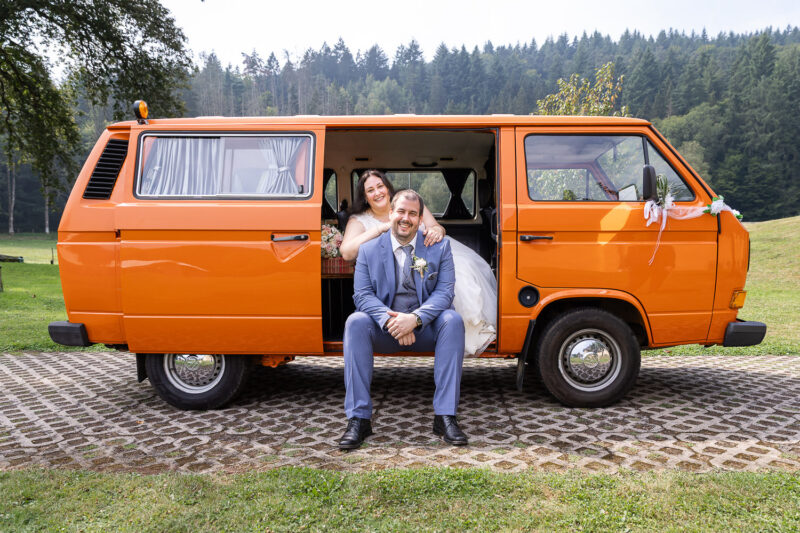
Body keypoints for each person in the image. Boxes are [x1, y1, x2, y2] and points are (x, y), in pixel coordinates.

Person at [339, 189, 468, 450]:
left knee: (452, 320)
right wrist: (392, 322)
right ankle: (359, 419)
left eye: (413, 213)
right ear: (390, 214)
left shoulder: (439, 247)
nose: (405, 218)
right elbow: (362, 295)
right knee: (355, 321)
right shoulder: (369, 250)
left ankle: (445, 416)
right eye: (400, 211)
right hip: (384, 331)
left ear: (421, 219)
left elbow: (444, 293)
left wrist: (415, 319)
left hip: (426, 329)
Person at [340, 169, 497, 357]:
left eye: (380, 186)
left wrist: (438, 231)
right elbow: (347, 252)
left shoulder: (411, 200)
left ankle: (459, 330)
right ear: (365, 197)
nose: (377, 192)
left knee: (460, 269)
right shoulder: (360, 220)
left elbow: (435, 226)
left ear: (388, 188)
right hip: (391, 283)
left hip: (429, 253)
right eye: (370, 190)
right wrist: (382, 228)